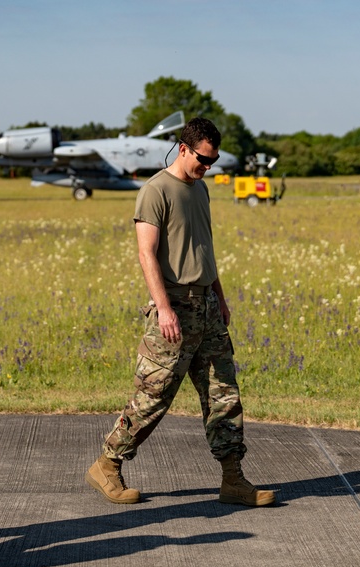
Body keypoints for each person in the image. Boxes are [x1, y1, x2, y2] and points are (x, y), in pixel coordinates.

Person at [85, 117, 275, 506]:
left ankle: (233, 479)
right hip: (174, 309)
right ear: (183, 148)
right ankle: (107, 464)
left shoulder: (201, 190)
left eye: (213, 161)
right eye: (203, 159)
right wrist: (166, 309)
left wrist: (219, 297)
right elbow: (146, 253)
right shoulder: (155, 191)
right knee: (153, 397)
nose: (207, 167)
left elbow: (204, 248)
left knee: (224, 395)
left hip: (206, 307)